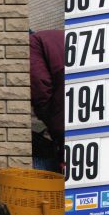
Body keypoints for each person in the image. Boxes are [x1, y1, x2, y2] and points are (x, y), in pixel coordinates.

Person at [29, 30, 64, 173]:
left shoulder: (32, 44)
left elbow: (40, 89)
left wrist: (49, 120)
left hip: (60, 119)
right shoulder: (59, 37)